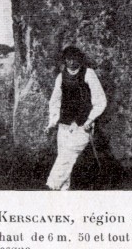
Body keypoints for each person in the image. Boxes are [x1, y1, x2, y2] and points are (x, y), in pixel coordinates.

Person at [45, 46, 107, 190]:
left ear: (80, 59)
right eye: (68, 59)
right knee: (64, 158)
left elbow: (100, 100)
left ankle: (50, 186)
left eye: (74, 58)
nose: (71, 62)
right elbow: (55, 100)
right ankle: (62, 193)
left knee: (68, 155)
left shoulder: (89, 74)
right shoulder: (61, 77)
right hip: (64, 124)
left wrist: (90, 120)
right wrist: (53, 121)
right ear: (64, 60)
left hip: (82, 124)